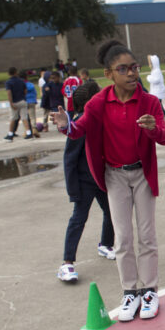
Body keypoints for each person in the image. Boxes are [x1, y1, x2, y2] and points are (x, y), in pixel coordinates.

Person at [52, 40, 165, 322]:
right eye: (123, 69)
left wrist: (154, 129)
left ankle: (150, 290)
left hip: (142, 174)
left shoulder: (149, 102)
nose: (131, 74)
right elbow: (78, 129)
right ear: (109, 74)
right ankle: (130, 291)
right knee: (123, 238)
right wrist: (65, 123)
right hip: (114, 176)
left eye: (134, 68)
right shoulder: (99, 102)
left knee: (146, 235)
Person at [57, 75, 115, 283]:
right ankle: (66, 264)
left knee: (111, 212)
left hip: (101, 179)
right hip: (83, 182)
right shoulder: (81, 123)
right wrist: (73, 189)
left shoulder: (100, 120)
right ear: (91, 102)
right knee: (79, 218)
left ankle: (105, 244)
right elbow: (69, 160)